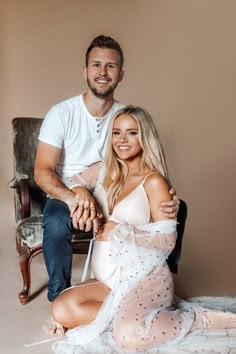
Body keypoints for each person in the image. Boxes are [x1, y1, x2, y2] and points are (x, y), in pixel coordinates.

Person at [48, 106, 236, 353]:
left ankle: (198, 319)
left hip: (145, 280)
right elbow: (69, 183)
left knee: (129, 336)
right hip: (111, 282)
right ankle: (125, 316)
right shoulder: (103, 171)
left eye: (131, 133)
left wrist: (120, 230)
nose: (122, 140)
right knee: (60, 309)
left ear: (144, 137)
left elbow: (168, 241)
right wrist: (81, 190)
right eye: (116, 132)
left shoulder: (154, 181)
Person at [34, 35, 179, 327]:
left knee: (181, 208)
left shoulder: (124, 118)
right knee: (57, 220)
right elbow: (42, 171)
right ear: (85, 71)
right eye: (96, 65)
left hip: (109, 191)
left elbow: (142, 165)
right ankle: (59, 294)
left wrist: (167, 200)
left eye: (110, 66)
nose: (102, 72)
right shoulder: (62, 113)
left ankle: (156, 287)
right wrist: (75, 196)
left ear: (120, 74)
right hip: (68, 193)